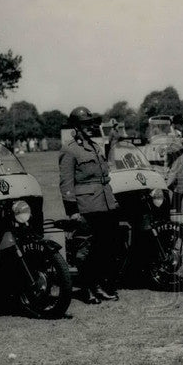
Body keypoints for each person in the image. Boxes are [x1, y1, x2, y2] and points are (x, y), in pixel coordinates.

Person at [59, 107, 119, 304]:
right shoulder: (69, 149)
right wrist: (72, 210)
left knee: (103, 248)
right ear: (76, 127)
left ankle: (99, 286)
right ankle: (87, 288)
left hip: (104, 203)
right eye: (85, 124)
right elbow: (66, 183)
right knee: (85, 249)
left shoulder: (94, 146)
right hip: (86, 206)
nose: (90, 127)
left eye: (91, 124)